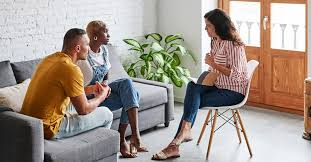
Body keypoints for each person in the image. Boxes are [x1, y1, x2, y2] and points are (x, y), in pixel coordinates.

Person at [151, 8, 248, 160]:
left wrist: (213, 64)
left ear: (218, 25)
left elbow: (237, 76)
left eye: (208, 25)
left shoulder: (235, 45)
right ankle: (183, 135)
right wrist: (208, 73)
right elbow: (215, 69)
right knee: (192, 87)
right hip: (218, 85)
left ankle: (176, 143)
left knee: (192, 103)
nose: (205, 28)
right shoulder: (216, 41)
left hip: (233, 92)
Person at [21, 28, 113, 140]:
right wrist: (101, 97)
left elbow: (70, 91)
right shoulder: (71, 69)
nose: (89, 49)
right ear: (78, 48)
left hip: (28, 123)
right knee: (107, 113)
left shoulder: (48, 59)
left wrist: (92, 89)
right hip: (47, 128)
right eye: (87, 45)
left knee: (77, 103)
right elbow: (83, 110)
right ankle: (95, 149)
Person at [76, 20, 148, 158]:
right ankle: (127, 139)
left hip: (103, 91)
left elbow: (107, 70)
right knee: (134, 94)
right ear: (95, 36)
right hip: (91, 98)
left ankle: (129, 137)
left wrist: (106, 84)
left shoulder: (104, 50)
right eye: (106, 31)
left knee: (128, 86)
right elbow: (78, 88)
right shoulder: (84, 56)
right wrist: (98, 91)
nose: (109, 34)